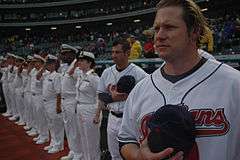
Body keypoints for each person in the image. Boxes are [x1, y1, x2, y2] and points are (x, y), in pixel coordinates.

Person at [118, 0, 240, 160]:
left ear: (194, 31)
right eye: (157, 29)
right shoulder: (141, 89)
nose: (159, 36)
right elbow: (126, 140)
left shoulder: (234, 84)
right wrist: (139, 155)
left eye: (169, 27)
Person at [94, 37, 148, 160]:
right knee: (115, 155)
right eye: (112, 52)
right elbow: (101, 95)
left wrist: (126, 97)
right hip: (112, 117)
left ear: (127, 53)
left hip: (130, 119)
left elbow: (147, 96)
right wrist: (114, 98)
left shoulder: (139, 73)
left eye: (117, 52)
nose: (113, 55)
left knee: (133, 155)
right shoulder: (107, 72)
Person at [68, 51, 101, 160]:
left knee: (91, 140)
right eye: (79, 60)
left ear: (89, 63)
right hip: (80, 108)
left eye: (82, 61)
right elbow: (69, 72)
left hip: (90, 109)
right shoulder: (80, 75)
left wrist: (97, 115)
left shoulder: (94, 78)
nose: (79, 63)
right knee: (83, 137)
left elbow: (100, 96)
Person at [59, 44, 83, 160]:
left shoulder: (77, 67)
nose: (62, 56)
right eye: (62, 54)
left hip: (72, 101)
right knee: (68, 128)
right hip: (64, 101)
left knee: (75, 129)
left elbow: (79, 85)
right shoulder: (65, 67)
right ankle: (73, 151)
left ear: (73, 54)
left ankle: (79, 153)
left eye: (65, 54)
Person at [38, 54, 64, 153]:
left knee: (56, 125)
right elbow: (37, 76)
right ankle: (53, 142)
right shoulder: (47, 74)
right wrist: (44, 67)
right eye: (47, 64)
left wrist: (58, 106)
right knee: (50, 124)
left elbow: (59, 93)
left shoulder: (57, 76)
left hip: (53, 103)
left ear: (54, 64)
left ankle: (58, 145)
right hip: (46, 103)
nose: (47, 66)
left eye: (49, 64)